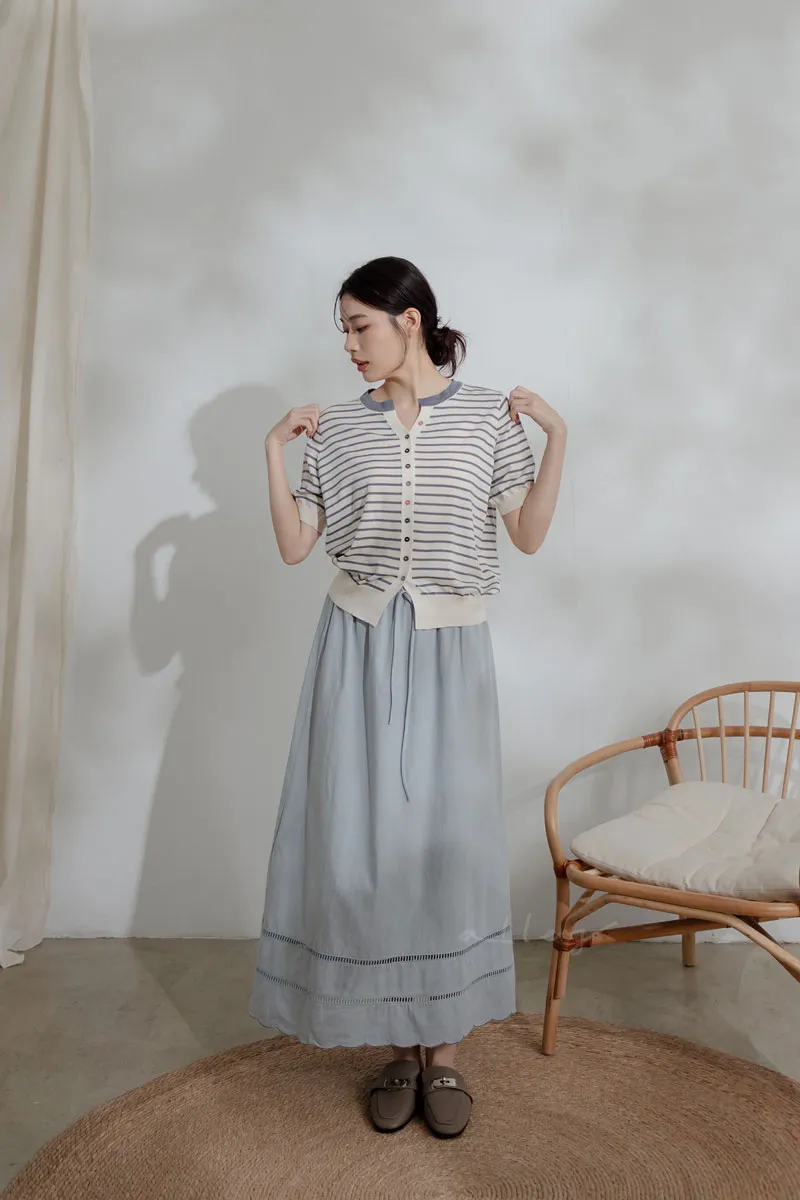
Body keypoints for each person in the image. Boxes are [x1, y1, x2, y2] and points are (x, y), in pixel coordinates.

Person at [248, 256, 567, 1138]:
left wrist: (558, 438)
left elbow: (528, 536)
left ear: (411, 320)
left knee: (444, 846)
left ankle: (446, 1050)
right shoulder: (338, 431)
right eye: (344, 331)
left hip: (451, 654)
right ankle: (395, 1045)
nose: (350, 345)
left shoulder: (488, 419)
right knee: (365, 847)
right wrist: (272, 451)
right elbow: (295, 546)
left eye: (362, 326)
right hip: (354, 648)